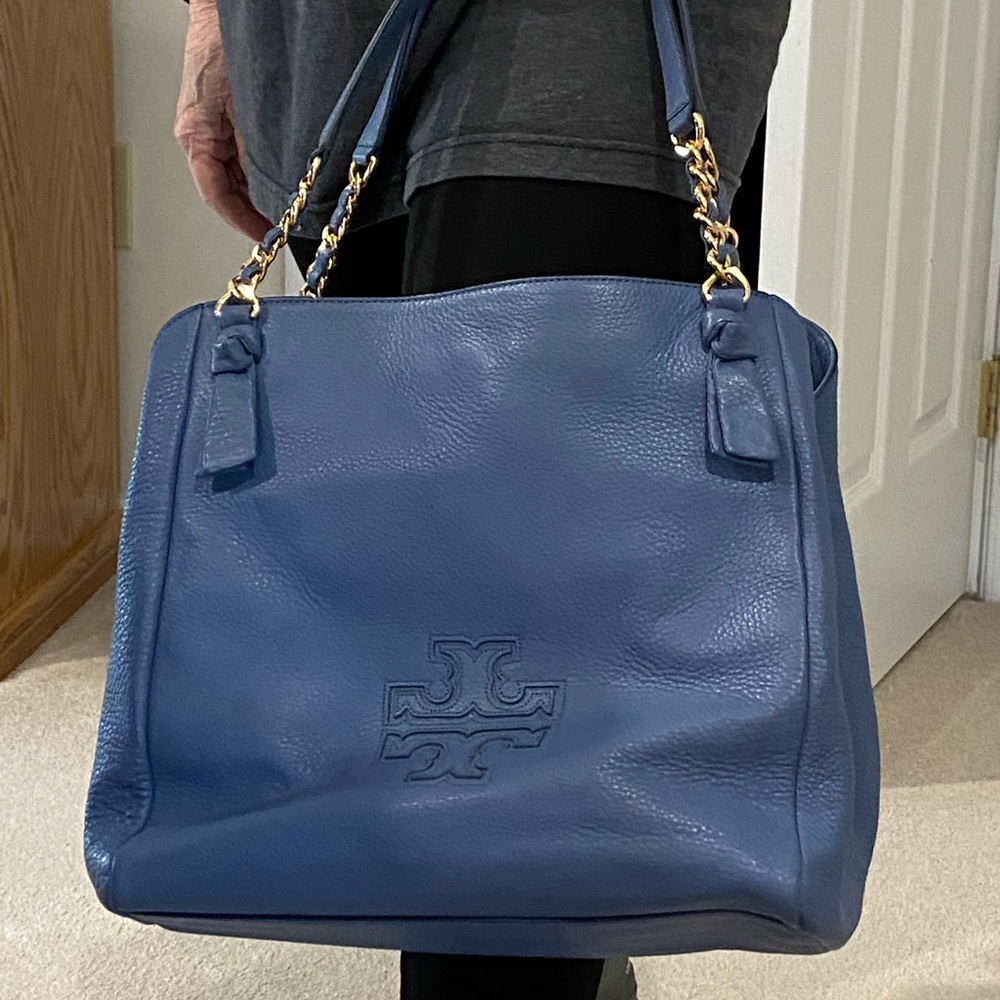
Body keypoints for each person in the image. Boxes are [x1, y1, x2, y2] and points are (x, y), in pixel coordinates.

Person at [174, 1, 792, 998]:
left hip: (578, 39)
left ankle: (552, 918)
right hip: (316, 34)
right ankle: (579, 909)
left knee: (509, 674)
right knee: (409, 584)